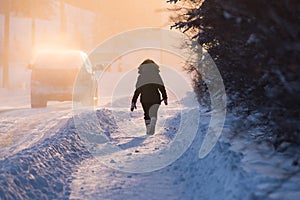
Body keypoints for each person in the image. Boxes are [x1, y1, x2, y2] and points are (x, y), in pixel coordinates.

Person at [130, 59, 168, 135]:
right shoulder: (156, 75)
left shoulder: (141, 76)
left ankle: (148, 128)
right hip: (155, 97)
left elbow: (137, 90)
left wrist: (133, 101)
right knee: (153, 113)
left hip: (145, 98)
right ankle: (153, 121)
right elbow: (161, 87)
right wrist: (165, 97)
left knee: (147, 114)